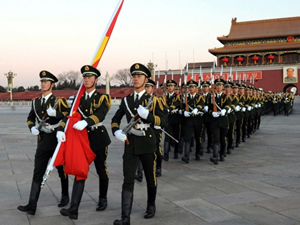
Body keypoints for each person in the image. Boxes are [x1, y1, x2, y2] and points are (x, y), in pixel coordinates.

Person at [111, 63, 167, 225]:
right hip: (130, 144)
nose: (135, 79)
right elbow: (116, 119)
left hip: (148, 144)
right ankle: (125, 217)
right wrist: (116, 131)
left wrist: (149, 116)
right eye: (134, 76)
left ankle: (151, 205)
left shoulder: (154, 101)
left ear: (146, 79)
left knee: (150, 178)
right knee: (128, 179)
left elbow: (164, 121)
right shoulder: (127, 100)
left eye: (139, 76)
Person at [57, 65, 111, 220]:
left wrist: (86, 121)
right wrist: (61, 129)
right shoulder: (77, 99)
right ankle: (73, 208)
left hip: (98, 138)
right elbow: (68, 116)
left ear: (96, 79)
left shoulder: (103, 97)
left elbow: (101, 114)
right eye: (85, 77)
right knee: (80, 172)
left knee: (101, 170)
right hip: (82, 139)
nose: (87, 80)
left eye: (90, 77)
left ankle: (103, 198)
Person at [18, 70, 70, 215]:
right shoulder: (36, 102)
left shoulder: (59, 102)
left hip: (56, 139)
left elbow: (69, 116)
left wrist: (57, 116)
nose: (43, 84)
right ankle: (32, 204)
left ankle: (65, 196)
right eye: (42, 81)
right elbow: (30, 118)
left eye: (46, 82)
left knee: (61, 170)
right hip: (42, 140)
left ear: (52, 85)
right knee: (38, 171)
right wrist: (31, 127)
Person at [208, 78, 231, 164]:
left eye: (220, 85)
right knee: (216, 138)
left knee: (223, 138)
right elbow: (208, 108)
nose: (218, 87)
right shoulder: (211, 97)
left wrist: (225, 110)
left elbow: (228, 104)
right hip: (215, 121)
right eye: (217, 85)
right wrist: (212, 112)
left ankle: (222, 153)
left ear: (223, 87)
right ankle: (215, 156)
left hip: (224, 120)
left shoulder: (226, 96)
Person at [181, 80, 205, 163]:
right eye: (189, 87)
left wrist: (197, 109)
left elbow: (201, 104)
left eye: (192, 87)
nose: (191, 88)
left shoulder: (199, 97)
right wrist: (183, 111)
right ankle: (186, 156)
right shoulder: (185, 98)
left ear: (196, 88)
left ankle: (198, 153)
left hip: (198, 120)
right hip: (189, 120)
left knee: (198, 138)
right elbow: (182, 106)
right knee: (187, 138)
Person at [163, 79, 180, 161]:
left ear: (174, 87)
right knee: (167, 135)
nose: (170, 87)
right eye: (169, 86)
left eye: (171, 86)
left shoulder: (177, 96)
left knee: (175, 135)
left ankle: (176, 152)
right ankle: (165, 154)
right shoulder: (165, 97)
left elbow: (176, 104)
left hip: (175, 118)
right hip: (168, 118)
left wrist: (169, 108)